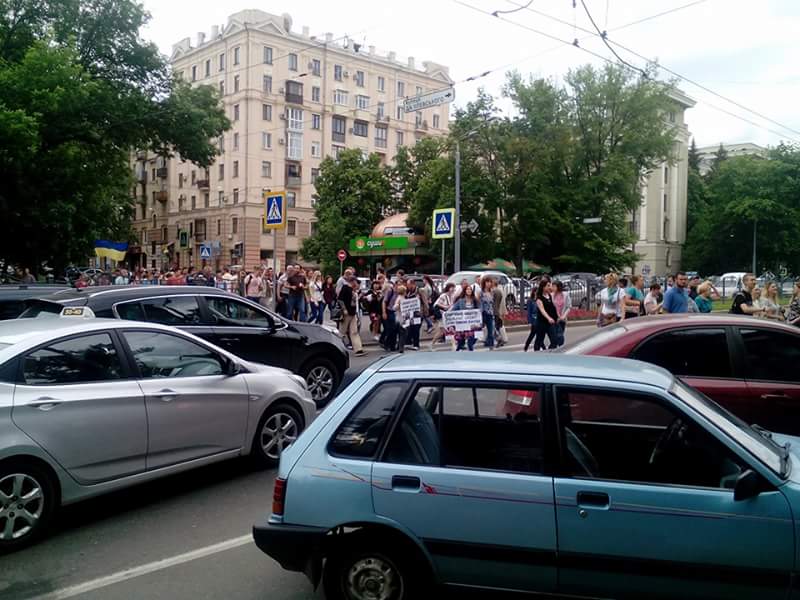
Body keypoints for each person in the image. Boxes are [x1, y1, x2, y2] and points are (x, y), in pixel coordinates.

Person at [337, 277, 365, 356]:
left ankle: (358, 349)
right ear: (352, 281)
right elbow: (340, 299)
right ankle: (337, 347)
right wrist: (344, 309)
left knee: (354, 331)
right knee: (342, 332)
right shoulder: (345, 288)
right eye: (356, 282)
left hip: (352, 313)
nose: (357, 284)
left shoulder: (353, 290)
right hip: (346, 313)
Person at [533, 277, 559, 351]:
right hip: (542, 323)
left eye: (550, 285)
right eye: (548, 285)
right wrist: (549, 318)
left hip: (550, 323)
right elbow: (542, 310)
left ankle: (549, 354)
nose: (549, 287)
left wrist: (557, 316)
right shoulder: (539, 298)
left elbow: (553, 308)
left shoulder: (550, 296)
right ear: (543, 287)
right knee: (539, 341)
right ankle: (536, 354)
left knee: (554, 341)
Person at [450, 284, 479, 351]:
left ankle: (470, 350)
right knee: (460, 342)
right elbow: (453, 310)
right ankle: (458, 351)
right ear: (465, 291)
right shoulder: (460, 301)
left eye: (470, 289)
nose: (469, 290)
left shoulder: (475, 300)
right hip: (462, 325)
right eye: (467, 289)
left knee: (472, 339)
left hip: (472, 324)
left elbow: (479, 310)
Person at [430, 282, 455, 350]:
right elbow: (437, 304)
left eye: (453, 288)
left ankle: (431, 344)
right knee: (447, 330)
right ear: (448, 288)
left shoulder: (452, 296)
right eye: (451, 287)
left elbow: (452, 305)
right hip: (442, 315)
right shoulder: (443, 295)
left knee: (442, 332)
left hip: (448, 316)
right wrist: (445, 306)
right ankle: (454, 346)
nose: (453, 289)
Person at [403, 278, 425, 350]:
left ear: (413, 284)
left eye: (409, 285)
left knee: (416, 329)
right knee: (411, 328)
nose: (408, 287)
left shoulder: (420, 291)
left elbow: (425, 301)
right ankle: (409, 342)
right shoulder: (408, 292)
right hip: (411, 314)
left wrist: (425, 312)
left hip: (418, 314)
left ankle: (416, 344)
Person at [552, 280, 572, 347]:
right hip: (554, 319)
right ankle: (557, 347)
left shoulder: (565, 295)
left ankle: (560, 347)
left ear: (558, 287)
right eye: (552, 286)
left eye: (554, 286)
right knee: (556, 335)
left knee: (560, 335)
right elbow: (551, 307)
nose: (552, 288)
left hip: (562, 319)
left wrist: (563, 316)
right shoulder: (551, 295)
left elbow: (569, 307)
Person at [479, 277, 495, 349]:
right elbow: (480, 303)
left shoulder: (492, 292)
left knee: (490, 330)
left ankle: (490, 344)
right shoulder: (481, 292)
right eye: (487, 282)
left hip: (490, 313)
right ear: (484, 283)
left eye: (490, 282)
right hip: (483, 312)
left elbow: (493, 303)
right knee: (479, 328)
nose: (488, 284)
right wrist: (481, 312)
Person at [492, 279, 508, 348]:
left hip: (495, 311)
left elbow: (494, 303)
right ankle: (500, 339)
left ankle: (499, 339)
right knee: (497, 326)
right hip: (498, 311)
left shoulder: (494, 291)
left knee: (494, 327)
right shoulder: (500, 291)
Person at [523, 286, 538, 352]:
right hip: (534, 319)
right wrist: (529, 321)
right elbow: (529, 311)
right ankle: (526, 346)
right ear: (534, 292)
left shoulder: (539, 300)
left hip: (539, 319)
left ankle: (541, 347)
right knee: (533, 334)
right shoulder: (530, 300)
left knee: (538, 334)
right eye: (536, 291)